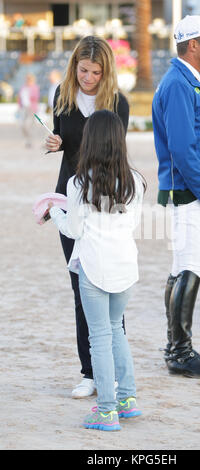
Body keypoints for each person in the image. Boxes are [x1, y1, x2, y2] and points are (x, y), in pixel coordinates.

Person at [46, 110, 144, 431]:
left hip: (93, 268)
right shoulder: (136, 182)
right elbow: (132, 223)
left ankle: (106, 411)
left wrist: (54, 212)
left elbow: (73, 230)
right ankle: (127, 399)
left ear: (89, 142)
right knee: (117, 330)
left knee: (99, 337)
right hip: (125, 266)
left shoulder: (78, 184)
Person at [44, 36, 129, 398]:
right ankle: (89, 373)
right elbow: (63, 142)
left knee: (109, 287)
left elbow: (114, 153)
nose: (89, 77)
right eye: (83, 70)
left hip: (106, 203)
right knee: (81, 288)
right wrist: (56, 144)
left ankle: (112, 372)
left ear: (106, 70)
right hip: (69, 198)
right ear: (74, 66)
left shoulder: (117, 103)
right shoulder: (62, 99)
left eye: (96, 71)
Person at [152, 15, 200, 378]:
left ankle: (176, 348)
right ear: (192, 44)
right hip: (189, 192)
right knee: (191, 267)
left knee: (181, 268)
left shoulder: (183, 80)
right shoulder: (180, 84)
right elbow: (182, 148)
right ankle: (180, 352)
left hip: (184, 190)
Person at [18, 73, 40, 147]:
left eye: (29, 79)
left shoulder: (35, 87)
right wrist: (19, 106)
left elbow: (36, 97)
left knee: (29, 125)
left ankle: (30, 141)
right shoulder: (23, 87)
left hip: (31, 108)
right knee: (21, 125)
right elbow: (19, 97)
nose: (28, 80)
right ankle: (27, 139)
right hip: (23, 108)